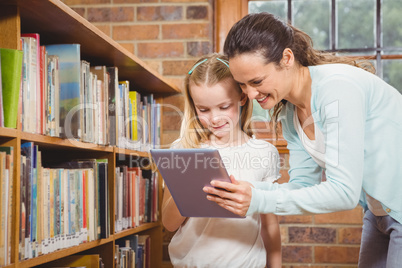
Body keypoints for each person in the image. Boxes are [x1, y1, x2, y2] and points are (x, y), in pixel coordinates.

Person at [202, 12, 402, 268]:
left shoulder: (337, 89)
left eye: (257, 81)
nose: (250, 94)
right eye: (242, 85)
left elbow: (344, 193)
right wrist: (247, 190)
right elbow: (302, 186)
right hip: (379, 212)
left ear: (286, 58)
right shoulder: (290, 112)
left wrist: (257, 200)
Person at [162, 53, 282, 268]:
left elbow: (269, 224)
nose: (215, 118)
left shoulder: (264, 153)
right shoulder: (184, 149)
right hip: (193, 263)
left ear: (242, 98)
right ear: (194, 105)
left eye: (224, 107)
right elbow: (169, 224)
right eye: (204, 110)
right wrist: (189, 189)